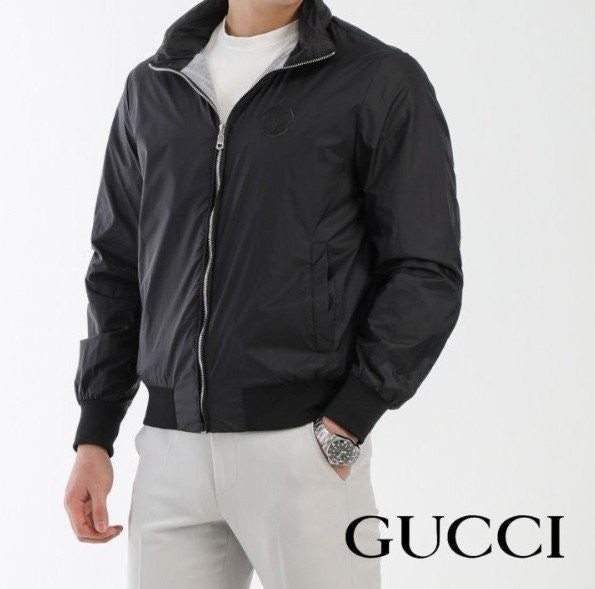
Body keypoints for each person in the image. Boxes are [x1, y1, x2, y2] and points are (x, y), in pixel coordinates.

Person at [63, 0, 463, 586]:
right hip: (170, 455)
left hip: (303, 448)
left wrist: (349, 421)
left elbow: (424, 267)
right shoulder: (154, 84)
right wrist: (95, 436)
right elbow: (118, 265)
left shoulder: (376, 78)